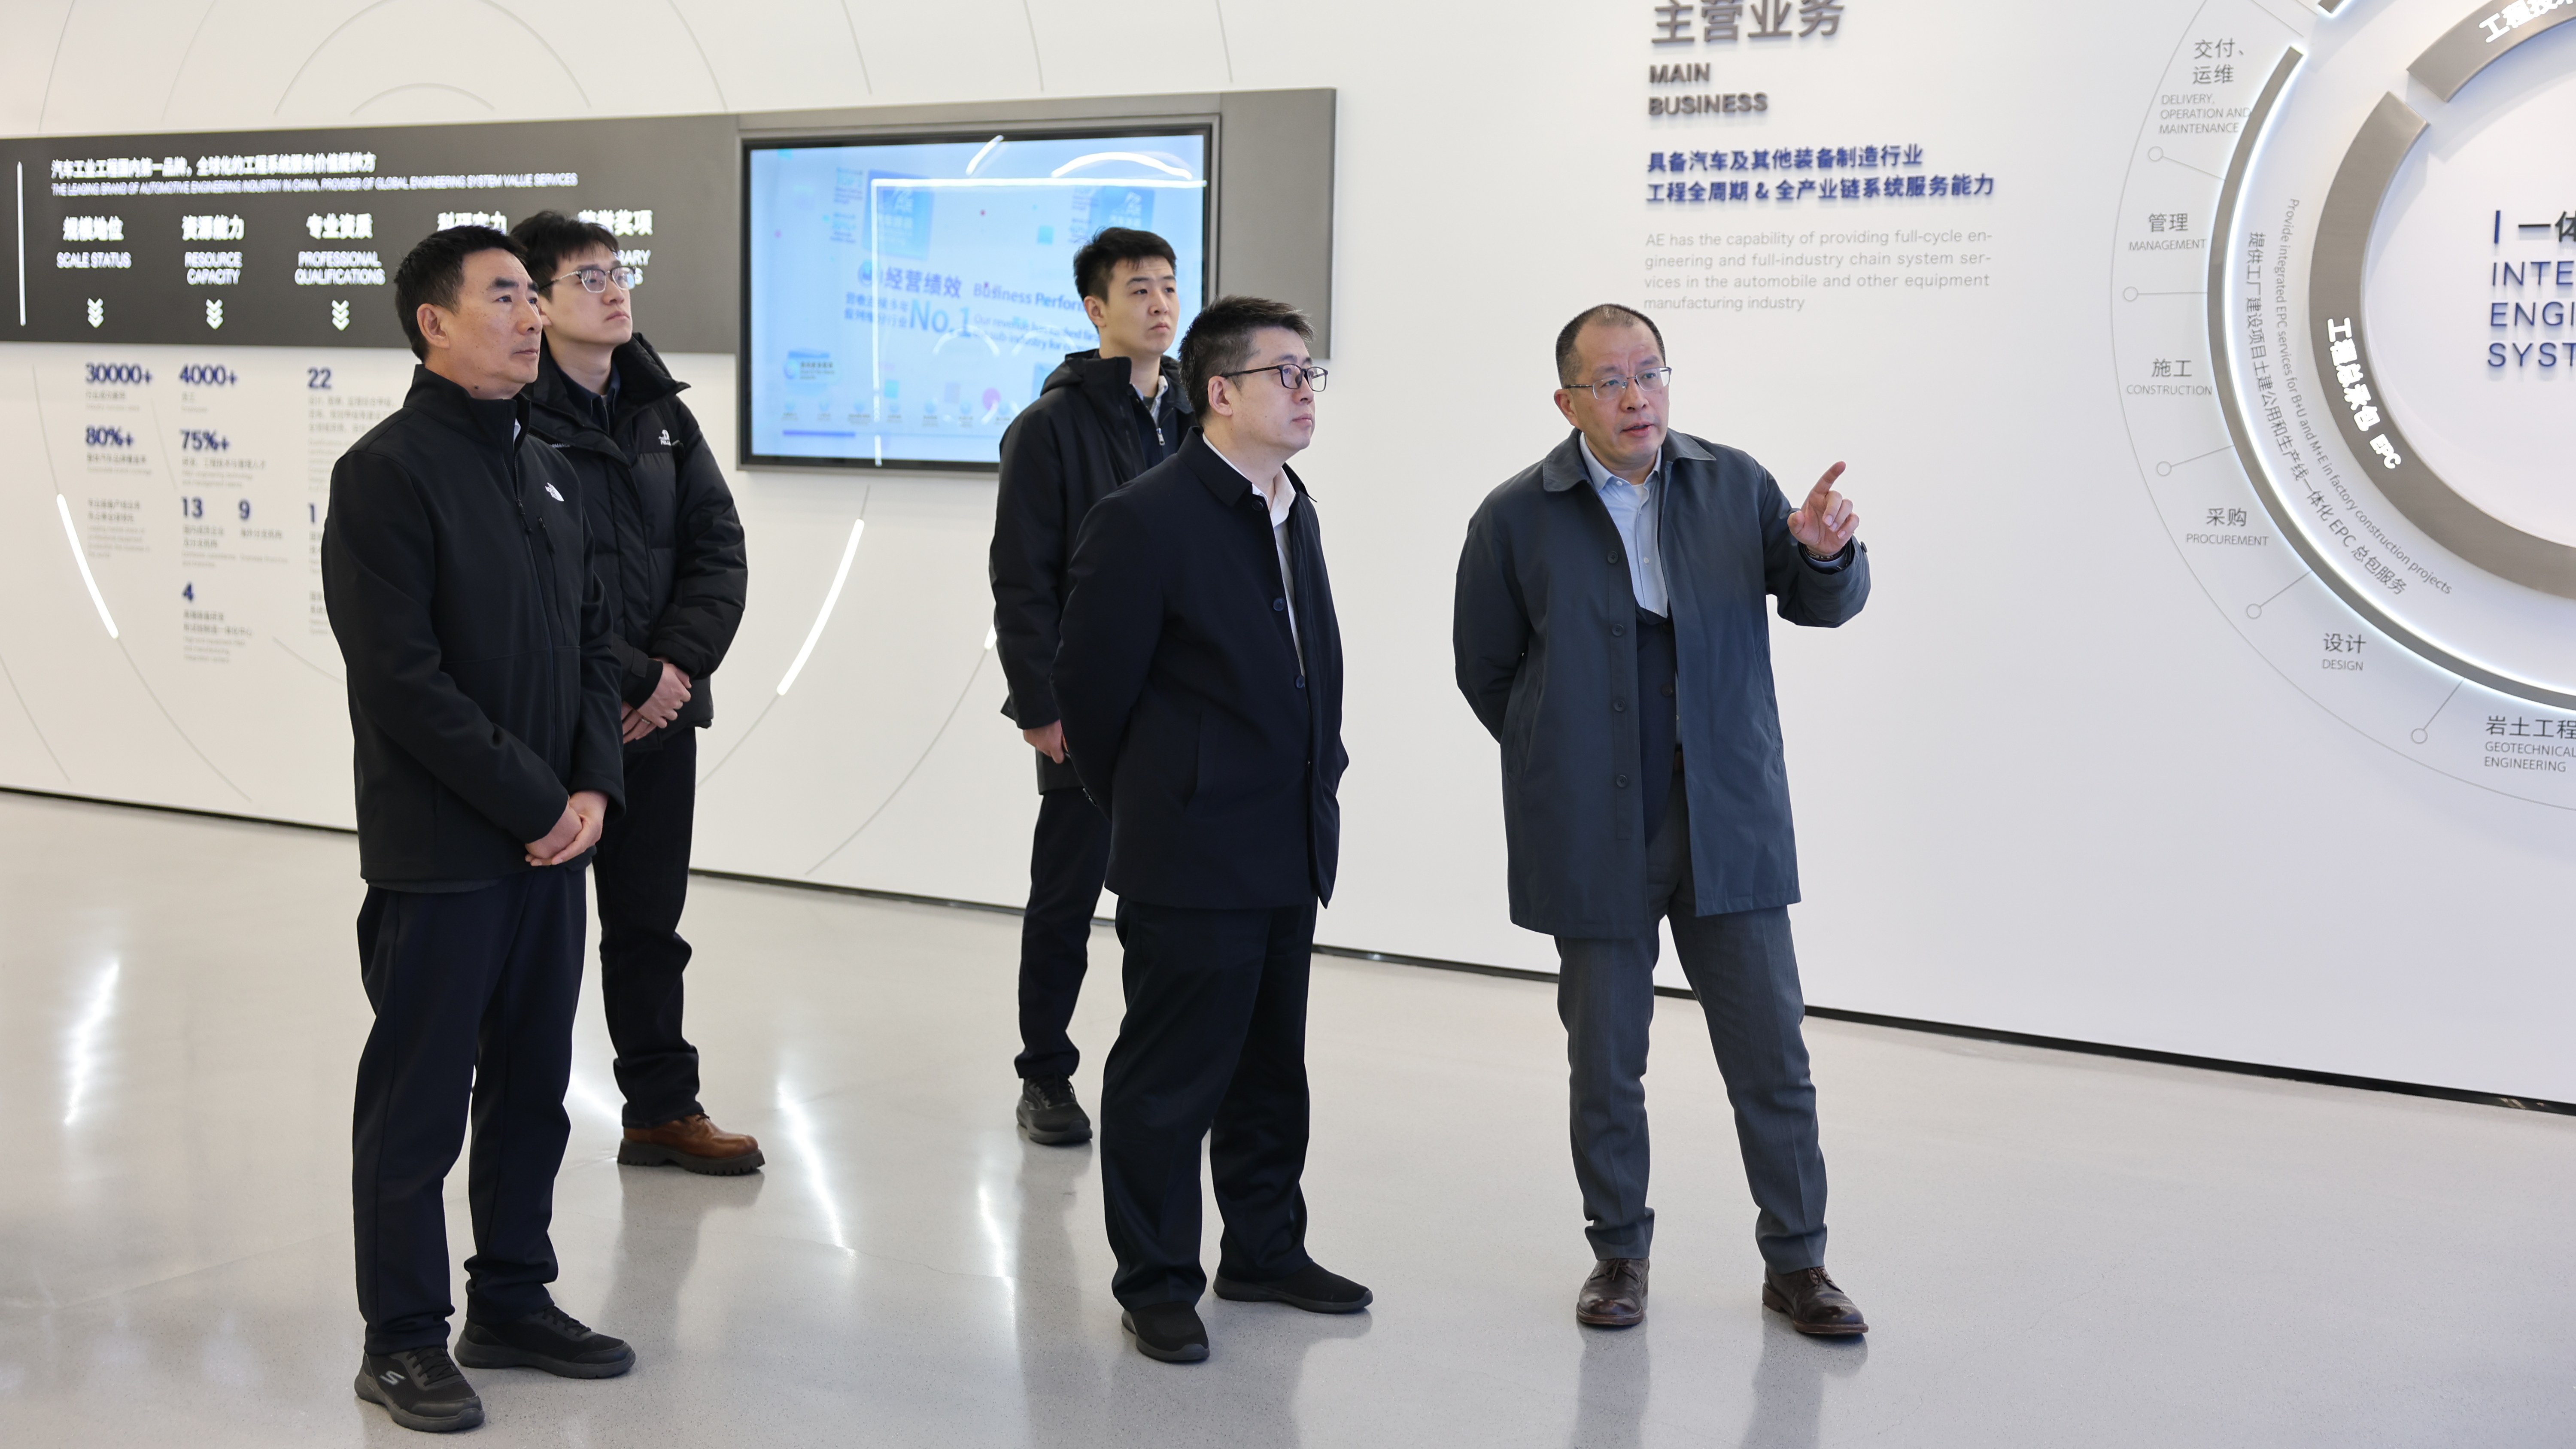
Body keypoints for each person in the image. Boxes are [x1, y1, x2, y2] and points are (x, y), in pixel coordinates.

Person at [1451, 303, 1872, 1338]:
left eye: (1650, 372)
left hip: (1728, 818)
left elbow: (1819, 600)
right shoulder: (1515, 515)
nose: (1636, 396)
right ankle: (1619, 1254)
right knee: (1605, 1061)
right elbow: (1486, 669)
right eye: (1609, 381)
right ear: (1567, 402)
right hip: (1595, 830)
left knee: (1772, 1053)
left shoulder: (1735, 485)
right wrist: (1562, 753)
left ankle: (1799, 1262)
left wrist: (1827, 555)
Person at [322, 226, 635, 1434]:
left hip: (554, 848)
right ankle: (401, 1338)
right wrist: (536, 800)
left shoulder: (547, 467)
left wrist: (592, 789)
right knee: (418, 1105)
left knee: (532, 1086)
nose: (528, 317)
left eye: (528, 297)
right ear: (433, 323)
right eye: (502, 296)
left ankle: (509, 1298)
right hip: (446, 852)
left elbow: (596, 643)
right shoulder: (386, 474)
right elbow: (404, 681)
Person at [1052, 296, 1367, 1363]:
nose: (1306, 390)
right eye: (1286, 372)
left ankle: (1266, 1249)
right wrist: (1159, 800)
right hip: (1192, 849)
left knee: (1272, 1068)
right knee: (1169, 1076)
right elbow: (1091, 695)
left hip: (1288, 837)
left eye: (1311, 371)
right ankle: (1156, 1280)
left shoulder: (1291, 506)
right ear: (1220, 391)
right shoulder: (1145, 518)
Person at [512, 211, 757, 1175]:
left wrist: (672, 676)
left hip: (658, 721)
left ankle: (661, 1109)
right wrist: (633, 677)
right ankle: (519, 1120)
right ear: (537, 303)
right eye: (588, 277)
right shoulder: (517, 417)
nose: (615, 289)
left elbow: (718, 548)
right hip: (558, 724)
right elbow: (531, 586)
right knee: (538, 935)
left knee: (650, 925)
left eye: (618, 271)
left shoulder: (661, 411)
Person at [990, 226, 1191, 1147]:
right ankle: (1045, 1073)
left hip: (1183, 703)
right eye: (1138, 289)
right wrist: (1040, 703)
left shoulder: (1199, 413)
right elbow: (1021, 577)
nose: (1160, 303)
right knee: (1066, 897)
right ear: (1095, 309)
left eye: (1169, 286)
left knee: (1175, 902)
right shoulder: (1050, 427)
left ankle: (1165, 1071)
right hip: (1089, 704)